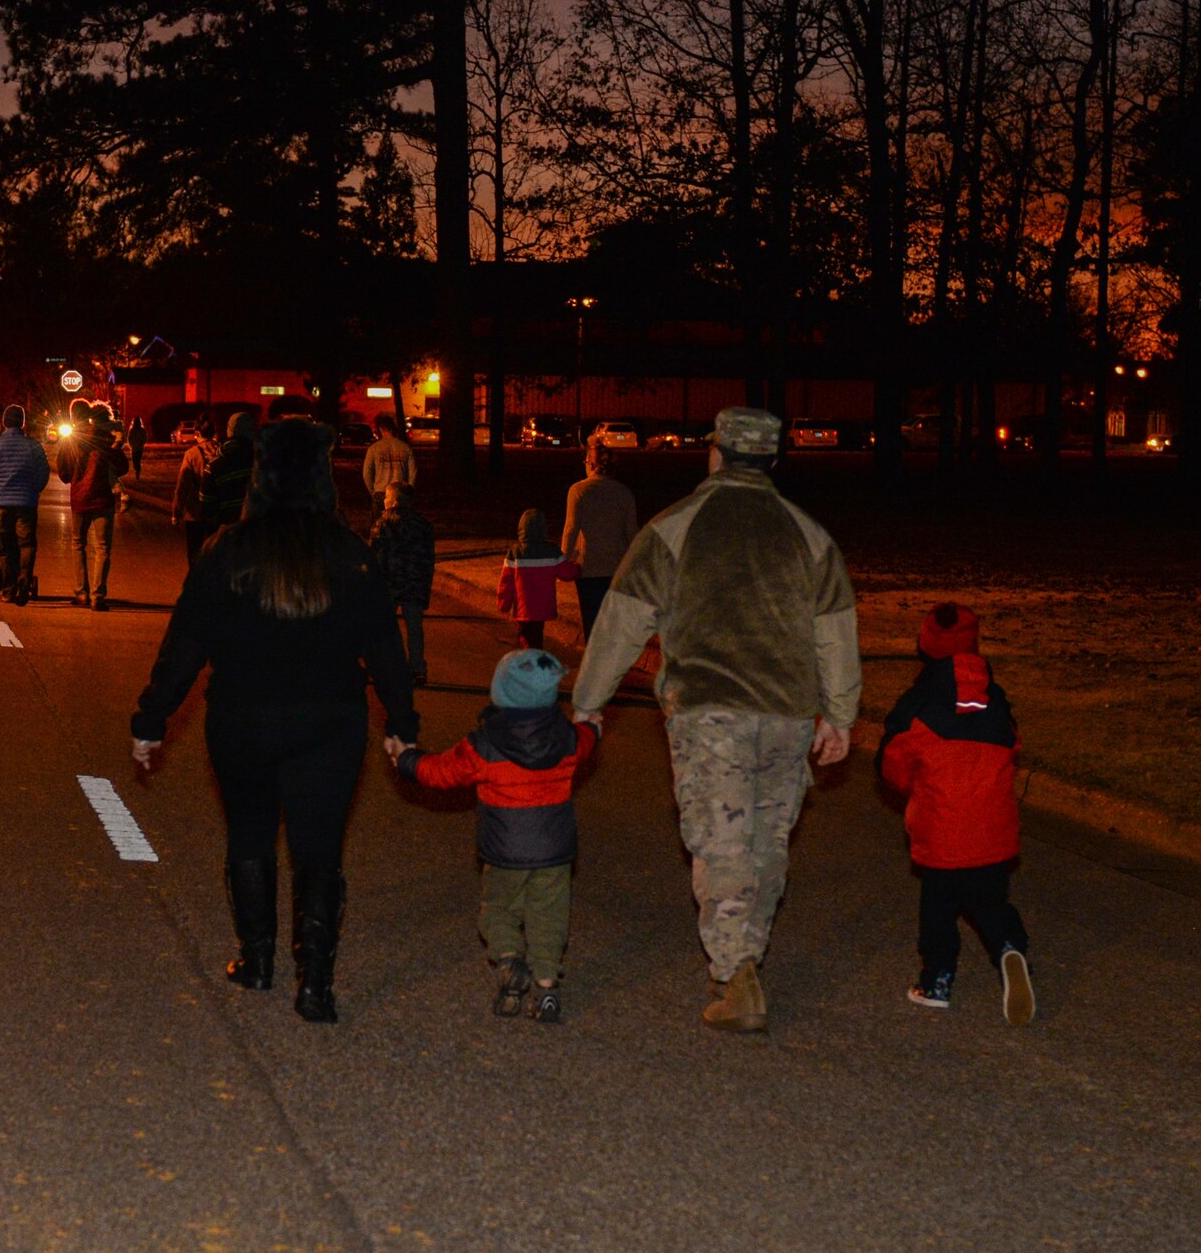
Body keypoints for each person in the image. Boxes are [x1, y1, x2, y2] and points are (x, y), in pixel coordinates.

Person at [571, 406, 861, 1036]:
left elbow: (621, 622)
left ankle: (735, 976)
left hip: (709, 715)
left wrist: (588, 702)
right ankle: (747, 956)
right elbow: (835, 633)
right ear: (774, 461)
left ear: (715, 455)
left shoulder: (673, 527)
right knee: (767, 839)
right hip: (787, 712)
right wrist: (840, 714)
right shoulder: (809, 535)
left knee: (722, 839)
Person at [131, 418, 418, 1024]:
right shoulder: (349, 554)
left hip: (243, 718)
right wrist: (401, 722)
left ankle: (256, 959)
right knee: (320, 849)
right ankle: (315, 983)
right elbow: (384, 648)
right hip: (330, 721)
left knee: (250, 835)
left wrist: (152, 718)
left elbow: (186, 641)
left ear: (260, 472)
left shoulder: (226, 549)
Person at [393, 649, 599, 1022]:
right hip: (555, 851)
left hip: (505, 850)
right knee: (549, 914)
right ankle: (547, 986)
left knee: (500, 908)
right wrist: (594, 726)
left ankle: (508, 959)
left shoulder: (484, 744)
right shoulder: (566, 737)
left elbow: (441, 772)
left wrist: (406, 759)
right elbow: (587, 739)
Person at [878, 602, 1033, 1024]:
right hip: (992, 829)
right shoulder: (995, 699)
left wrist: (917, 788)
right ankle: (1009, 947)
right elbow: (1013, 747)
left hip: (942, 830)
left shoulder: (918, 702)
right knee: (988, 900)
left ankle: (937, 981)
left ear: (925, 645)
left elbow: (893, 760)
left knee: (939, 908)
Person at [562, 443, 639, 639]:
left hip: (589, 567)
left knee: (592, 620)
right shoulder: (624, 493)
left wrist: (564, 559)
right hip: (617, 567)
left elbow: (571, 528)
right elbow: (632, 531)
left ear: (592, 464)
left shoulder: (578, 491)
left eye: (587, 460)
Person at [56, 399, 127, 609]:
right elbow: (122, 467)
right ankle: (98, 595)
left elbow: (64, 473)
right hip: (103, 499)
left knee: (78, 545)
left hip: (80, 499)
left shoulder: (72, 440)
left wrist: (76, 476)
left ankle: (81, 593)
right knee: (103, 548)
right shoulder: (107, 439)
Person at [0, 403, 51, 604]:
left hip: (1, 502)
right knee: (27, 544)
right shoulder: (34, 446)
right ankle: (24, 583)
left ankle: (8, 589)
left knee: (6, 547)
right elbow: (44, 472)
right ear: (23, 423)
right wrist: (34, 489)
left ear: (4, 422)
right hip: (27, 502)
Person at [369, 480, 435, 684]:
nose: (384, 501)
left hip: (388, 585)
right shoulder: (423, 526)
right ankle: (417, 668)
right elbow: (428, 559)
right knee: (414, 628)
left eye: (387, 497)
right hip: (414, 585)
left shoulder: (383, 525)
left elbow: (374, 556)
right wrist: (425, 587)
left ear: (394, 502)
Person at [496, 509, 579, 649]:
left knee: (526, 639)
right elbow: (567, 573)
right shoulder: (552, 551)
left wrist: (503, 604)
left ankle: (528, 665)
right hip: (543, 607)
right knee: (537, 636)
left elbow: (506, 583)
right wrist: (578, 567)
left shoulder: (515, 553)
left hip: (523, 608)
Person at [172, 419, 219, 567]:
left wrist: (176, 511)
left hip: (194, 512)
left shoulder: (191, 454)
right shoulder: (221, 452)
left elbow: (183, 484)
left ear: (197, 433)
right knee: (214, 551)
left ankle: (196, 583)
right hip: (217, 510)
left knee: (195, 552)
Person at [201, 407, 256, 530]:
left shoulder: (215, 466)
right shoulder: (265, 462)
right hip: (259, 534)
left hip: (229, 532)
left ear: (229, 431)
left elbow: (206, 504)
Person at [360, 414, 416, 520]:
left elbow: (366, 472)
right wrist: (409, 492)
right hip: (400, 493)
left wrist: (373, 491)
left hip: (380, 492)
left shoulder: (374, 449)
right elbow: (413, 473)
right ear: (392, 428)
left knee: (379, 528)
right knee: (400, 526)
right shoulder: (405, 448)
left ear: (380, 429)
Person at [127, 414, 148, 479]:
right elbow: (129, 438)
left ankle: (137, 472)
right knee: (135, 461)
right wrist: (131, 444)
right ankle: (137, 469)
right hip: (136, 448)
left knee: (137, 460)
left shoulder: (141, 430)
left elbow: (144, 438)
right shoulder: (133, 430)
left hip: (137, 448)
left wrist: (141, 443)